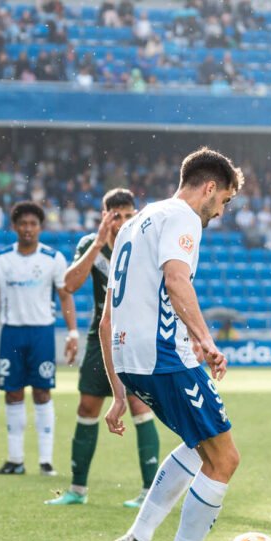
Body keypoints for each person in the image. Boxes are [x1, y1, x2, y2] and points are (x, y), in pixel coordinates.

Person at [104, 147, 243, 541]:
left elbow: (107, 319)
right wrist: (206, 339)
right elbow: (176, 279)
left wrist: (119, 389)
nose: (220, 212)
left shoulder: (135, 223)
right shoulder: (183, 217)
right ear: (209, 187)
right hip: (163, 355)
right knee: (224, 459)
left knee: (197, 443)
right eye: (223, 201)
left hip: (130, 359)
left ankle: (138, 538)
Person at [46, 189, 160, 508]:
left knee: (139, 406)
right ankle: (77, 490)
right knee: (87, 407)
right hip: (101, 336)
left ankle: (150, 493)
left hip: (135, 336)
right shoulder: (90, 245)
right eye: (115, 216)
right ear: (104, 216)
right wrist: (97, 243)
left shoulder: (144, 244)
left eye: (128, 215)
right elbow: (68, 285)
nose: (122, 222)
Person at [0, 201, 79, 477]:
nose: (28, 228)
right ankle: (15, 460)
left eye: (33, 224)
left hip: (41, 332)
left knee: (42, 392)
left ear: (40, 227)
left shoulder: (53, 258)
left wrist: (72, 332)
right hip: (11, 332)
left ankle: (46, 460)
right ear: (14, 226)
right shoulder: (1, 259)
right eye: (23, 223)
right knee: (12, 393)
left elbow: (65, 296)